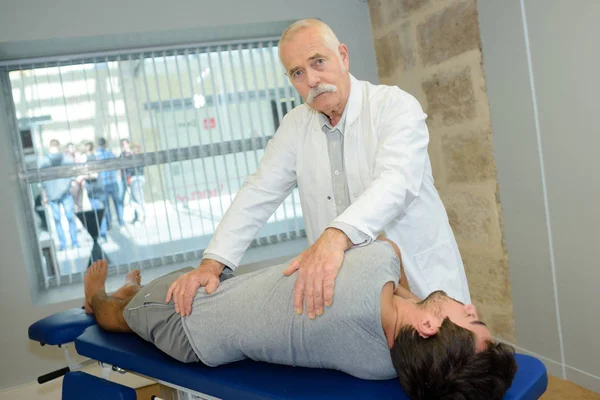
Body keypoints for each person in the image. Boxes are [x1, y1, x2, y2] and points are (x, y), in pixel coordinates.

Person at [168, 18, 470, 321]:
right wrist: (211, 265)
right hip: (357, 290)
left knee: (453, 360)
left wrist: (336, 236)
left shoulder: (394, 106)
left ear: (343, 56)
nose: (311, 79)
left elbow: (396, 181)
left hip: (423, 278)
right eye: (298, 72)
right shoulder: (295, 126)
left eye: (318, 62)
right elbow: (258, 193)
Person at [84, 240, 517, 399]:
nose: (472, 310)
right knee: (150, 291)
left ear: (428, 327)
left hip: (184, 314)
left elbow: (392, 249)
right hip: (223, 302)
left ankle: (100, 297)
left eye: (472, 322)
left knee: (117, 315)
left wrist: (415, 298)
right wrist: (417, 304)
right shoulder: (390, 366)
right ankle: (129, 291)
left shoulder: (371, 269)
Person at [39, 139, 79, 251]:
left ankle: (64, 244)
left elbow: (41, 181)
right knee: (68, 218)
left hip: (55, 195)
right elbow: (73, 175)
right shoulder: (66, 159)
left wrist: (45, 195)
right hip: (64, 193)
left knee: (59, 221)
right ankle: (73, 243)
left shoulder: (44, 161)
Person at [95, 138, 125, 236]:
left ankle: (109, 224)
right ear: (105, 144)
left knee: (106, 205)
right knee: (117, 203)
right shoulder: (110, 154)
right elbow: (117, 165)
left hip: (104, 183)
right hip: (112, 182)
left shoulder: (96, 156)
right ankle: (121, 222)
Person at [119, 139, 146, 224]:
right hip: (130, 179)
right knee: (134, 199)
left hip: (135, 178)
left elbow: (135, 168)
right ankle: (138, 217)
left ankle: (141, 217)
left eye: (125, 144)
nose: (124, 146)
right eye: (122, 145)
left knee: (137, 199)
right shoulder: (122, 155)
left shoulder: (135, 156)